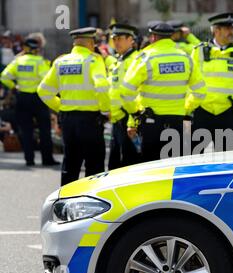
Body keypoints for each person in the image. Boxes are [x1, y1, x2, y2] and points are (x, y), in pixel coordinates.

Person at [120, 21, 206, 162]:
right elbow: (201, 91)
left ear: (153, 37)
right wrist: (186, 108)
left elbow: (125, 90)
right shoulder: (185, 58)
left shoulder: (146, 57)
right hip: (177, 122)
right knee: (173, 167)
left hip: (150, 123)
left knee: (151, 167)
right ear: (171, 36)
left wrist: (135, 112)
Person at [37, 27, 111, 186]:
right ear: (91, 42)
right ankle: (92, 204)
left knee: (70, 163)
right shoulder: (94, 60)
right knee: (94, 165)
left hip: (68, 120)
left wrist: (60, 107)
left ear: (74, 43)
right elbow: (102, 86)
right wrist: (106, 110)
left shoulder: (61, 61)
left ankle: (64, 203)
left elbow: (43, 90)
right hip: (91, 121)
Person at [190, 13, 233, 152]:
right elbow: (188, 84)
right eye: (227, 28)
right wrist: (185, 113)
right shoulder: (198, 51)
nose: (231, 31)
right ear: (216, 30)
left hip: (228, 114)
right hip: (202, 112)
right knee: (192, 159)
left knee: (227, 161)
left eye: (232, 28)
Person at [1, 37, 58, 166]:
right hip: (38, 98)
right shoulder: (40, 61)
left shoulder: (18, 61)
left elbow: (4, 77)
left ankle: (29, 159)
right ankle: (47, 159)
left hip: (22, 98)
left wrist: (13, 87)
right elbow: (47, 79)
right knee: (44, 129)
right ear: (36, 49)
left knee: (26, 130)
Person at [107, 23, 141, 170]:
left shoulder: (136, 59)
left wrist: (132, 120)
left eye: (120, 38)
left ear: (131, 40)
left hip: (128, 116)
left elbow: (138, 92)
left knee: (129, 162)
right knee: (114, 162)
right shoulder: (117, 60)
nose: (116, 42)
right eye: (114, 39)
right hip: (116, 117)